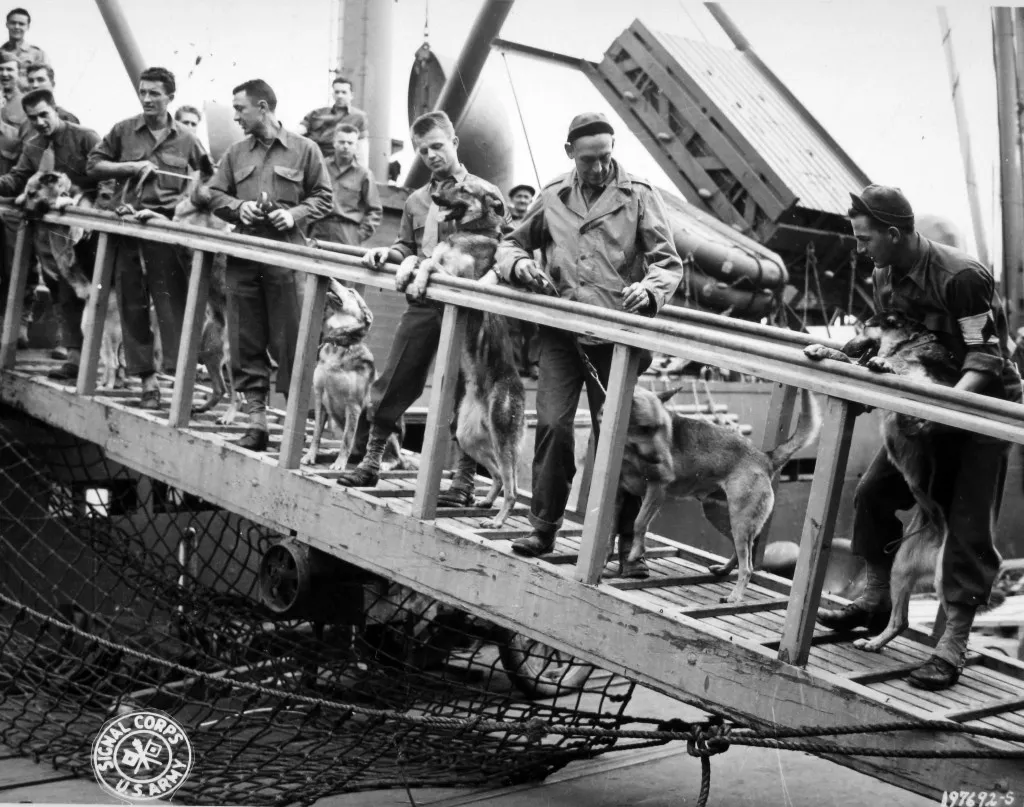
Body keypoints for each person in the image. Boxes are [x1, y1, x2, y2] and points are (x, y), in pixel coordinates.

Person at [815, 185, 1023, 691]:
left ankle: (952, 644)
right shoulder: (886, 272)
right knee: (872, 494)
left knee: (965, 523)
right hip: (926, 401)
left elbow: (986, 359)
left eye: (866, 239)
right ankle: (876, 598)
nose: (861, 248)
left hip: (981, 408)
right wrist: (855, 346)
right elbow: (893, 331)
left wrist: (946, 412)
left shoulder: (962, 276)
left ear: (894, 232)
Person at [493, 112, 684, 565]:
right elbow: (511, 243)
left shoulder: (638, 195)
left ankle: (626, 546)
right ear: (569, 154)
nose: (599, 169)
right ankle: (543, 528)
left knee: (617, 438)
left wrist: (650, 289)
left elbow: (668, 261)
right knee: (555, 426)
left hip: (617, 337)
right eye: (588, 160)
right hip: (561, 332)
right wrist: (517, 266)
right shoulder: (553, 194)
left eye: (606, 157)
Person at [338, 110, 492, 489]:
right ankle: (371, 460)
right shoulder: (416, 200)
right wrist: (385, 254)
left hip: (468, 310)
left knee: (465, 388)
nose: (432, 156)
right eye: (423, 151)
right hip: (424, 303)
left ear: (454, 143)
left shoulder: (483, 193)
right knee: (395, 378)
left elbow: (495, 249)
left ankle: (463, 482)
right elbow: (406, 244)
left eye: (437, 146)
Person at [206, 78, 333, 451]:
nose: (236, 117)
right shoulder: (234, 154)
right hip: (244, 259)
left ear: (263, 107)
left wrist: (293, 215)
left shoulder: (305, 150)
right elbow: (213, 193)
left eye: (240, 109)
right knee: (245, 340)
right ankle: (257, 424)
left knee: (291, 340)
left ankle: (297, 430)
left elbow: (324, 197)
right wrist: (237, 207)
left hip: (286, 259)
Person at [88, 66, 212, 410]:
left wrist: (188, 203)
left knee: (173, 303)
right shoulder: (124, 131)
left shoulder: (187, 140)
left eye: (154, 93)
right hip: (126, 228)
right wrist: (128, 168)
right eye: (143, 92)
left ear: (170, 97)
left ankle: (177, 378)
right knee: (131, 302)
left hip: (165, 229)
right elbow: (93, 165)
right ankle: (147, 381)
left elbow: (211, 180)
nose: (146, 99)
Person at [0, 88, 100, 377]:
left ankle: (99, 359)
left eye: (45, 114)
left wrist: (97, 210)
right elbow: (18, 179)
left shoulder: (85, 137)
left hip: (86, 228)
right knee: (59, 288)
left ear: (55, 109)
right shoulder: (33, 146)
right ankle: (74, 357)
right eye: (34, 118)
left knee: (86, 289)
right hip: (52, 233)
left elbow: (106, 177)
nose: (41, 122)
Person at [308, 123, 382, 246]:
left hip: (348, 233)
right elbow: (307, 196)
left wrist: (358, 235)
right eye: (341, 142)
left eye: (350, 143)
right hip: (319, 229)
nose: (345, 146)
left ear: (356, 146)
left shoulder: (364, 175)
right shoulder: (321, 167)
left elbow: (375, 211)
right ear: (334, 143)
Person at [504, 182, 539, 377]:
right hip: (513, 279)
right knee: (513, 325)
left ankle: (533, 363)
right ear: (512, 200)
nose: (523, 200)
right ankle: (516, 365)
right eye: (519, 197)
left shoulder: (536, 219)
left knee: (534, 325)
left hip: (534, 279)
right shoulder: (507, 223)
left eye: (526, 197)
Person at [298, 75, 368, 164]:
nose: (340, 96)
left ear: (351, 95)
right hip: (313, 158)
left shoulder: (359, 117)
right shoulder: (317, 113)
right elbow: (300, 131)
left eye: (344, 92)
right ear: (333, 94)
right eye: (337, 92)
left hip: (338, 162)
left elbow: (361, 148)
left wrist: (362, 171)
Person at [0, 8, 44, 80]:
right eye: (13, 23)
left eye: (21, 24)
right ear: (7, 24)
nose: (17, 27)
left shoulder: (37, 54)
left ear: (27, 27)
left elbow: (44, 79)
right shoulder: (1, 52)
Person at [0, 50, 23, 125]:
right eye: (0, 69)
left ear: (18, 74)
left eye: (9, 69)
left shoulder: (25, 103)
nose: (4, 74)